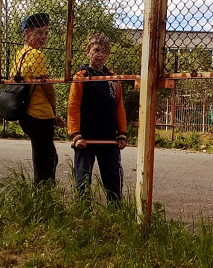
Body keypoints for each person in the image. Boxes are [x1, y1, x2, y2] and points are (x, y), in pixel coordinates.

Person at [67, 33, 128, 203]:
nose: (100, 55)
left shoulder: (112, 78)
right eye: (96, 50)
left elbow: (119, 106)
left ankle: (115, 213)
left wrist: (121, 133)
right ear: (88, 51)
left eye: (104, 51)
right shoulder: (81, 76)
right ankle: (83, 213)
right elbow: (73, 106)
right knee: (83, 180)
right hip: (85, 139)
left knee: (114, 180)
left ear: (108, 55)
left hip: (109, 140)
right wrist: (75, 134)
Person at [12, 13, 64, 185]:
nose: (43, 37)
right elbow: (47, 88)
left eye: (46, 33)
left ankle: (43, 196)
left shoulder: (20, 55)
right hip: (40, 115)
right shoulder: (37, 55)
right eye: (39, 32)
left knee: (47, 158)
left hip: (26, 114)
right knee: (46, 162)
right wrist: (54, 112)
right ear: (27, 32)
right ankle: (43, 199)